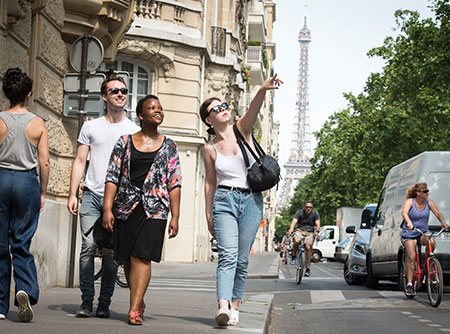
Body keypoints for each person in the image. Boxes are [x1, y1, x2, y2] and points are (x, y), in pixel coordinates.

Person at [201, 74, 283, 327]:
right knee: (227, 256)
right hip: (224, 200)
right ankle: (223, 305)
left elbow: (253, 108)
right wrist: (208, 214)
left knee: (242, 259)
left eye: (224, 106)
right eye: (217, 108)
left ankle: (235, 304)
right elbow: (210, 182)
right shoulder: (209, 148)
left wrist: (262, 89)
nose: (224, 110)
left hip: (251, 201)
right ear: (208, 119)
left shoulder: (241, 130)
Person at [103, 95, 181, 325]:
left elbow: (174, 181)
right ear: (140, 115)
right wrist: (107, 208)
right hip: (126, 207)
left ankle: (134, 309)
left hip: (155, 209)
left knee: (142, 257)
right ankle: (138, 299)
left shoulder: (169, 146)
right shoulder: (124, 141)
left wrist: (175, 215)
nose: (158, 111)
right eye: (152, 107)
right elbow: (112, 176)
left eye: (160, 108)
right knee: (127, 258)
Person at [66, 74, 140, 318]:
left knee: (110, 254)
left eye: (123, 91)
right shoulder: (91, 126)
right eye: (115, 91)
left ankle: (104, 303)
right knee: (87, 247)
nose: (120, 94)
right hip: (91, 195)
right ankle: (87, 301)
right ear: (104, 97)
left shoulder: (133, 131)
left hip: (119, 201)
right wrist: (72, 194)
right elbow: (79, 161)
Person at [0, 68, 50, 322]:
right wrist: (42, 192)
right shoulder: (38, 123)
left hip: (1, 179)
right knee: (21, 243)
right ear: (28, 95)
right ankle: (24, 290)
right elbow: (45, 163)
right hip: (26, 182)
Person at [401, 182, 448, 295]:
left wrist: (443, 222)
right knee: (411, 257)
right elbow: (404, 213)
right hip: (410, 232)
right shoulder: (410, 202)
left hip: (422, 232)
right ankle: (409, 284)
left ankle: (429, 264)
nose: (428, 193)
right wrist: (409, 223)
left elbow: (437, 213)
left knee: (431, 241)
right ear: (418, 193)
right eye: (425, 191)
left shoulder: (429, 203)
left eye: (428, 191)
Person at [288, 201, 321, 277]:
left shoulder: (315, 214)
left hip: (310, 232)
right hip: (300, 230)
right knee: (297, 241)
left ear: (312, 208)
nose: (308, 209)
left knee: (308, 247)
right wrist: (291, 229)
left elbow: (318, 224)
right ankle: (293, 255)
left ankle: (308, 269)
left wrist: (317, 231)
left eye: (310, 207)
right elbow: (294, 222)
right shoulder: (299, 213)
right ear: (304, 207)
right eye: (307, 207)